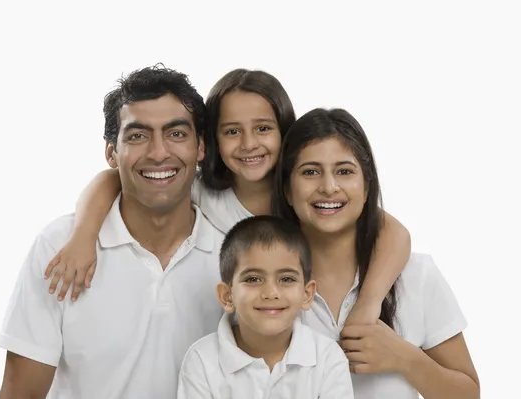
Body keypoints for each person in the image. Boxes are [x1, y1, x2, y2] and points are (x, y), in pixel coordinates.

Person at [44, 68, 412, 329]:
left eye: (264, 129)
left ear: (286, 132)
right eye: (232, 131)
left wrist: (367, 306)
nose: (249, 144)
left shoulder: (307, 197)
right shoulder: (198, 190)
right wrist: (83, 235)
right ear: (209, 142)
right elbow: (113, 180)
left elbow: (391, 232)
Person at [0, 65, 225, 398]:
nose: (159, 152)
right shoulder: (58, 248)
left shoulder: (233, 259)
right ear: (111, 153)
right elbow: (22, 394)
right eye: (137, 135)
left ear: (200, 148)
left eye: (176, 134)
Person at [272, 108, 480, 398]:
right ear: (287, 190)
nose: (329, 187)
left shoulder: (417, 276)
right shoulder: (264, 288)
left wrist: (405, 358)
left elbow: (469, 394)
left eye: (344, 171)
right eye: (310, 172)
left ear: (367, 187)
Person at [177, 215, 354, 398]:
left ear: (307, 294)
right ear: (227, 296)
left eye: (286, 279)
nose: (271, 293)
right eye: (253, 279)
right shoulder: (201, 360)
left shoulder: (327, 358)